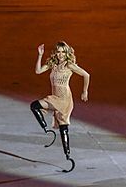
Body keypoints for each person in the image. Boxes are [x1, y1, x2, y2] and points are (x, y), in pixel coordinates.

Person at [30, 41, 90, 172]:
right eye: (58, 52)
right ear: (55, 53)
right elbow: (38, 71)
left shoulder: (69, 65)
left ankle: (67, 155)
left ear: (66, 53)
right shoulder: (53, 64)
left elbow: (86, 75)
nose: (60, 54)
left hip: (64, 99)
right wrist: (40, 55)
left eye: (63, 52)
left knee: (63, 127)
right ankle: (46, 130)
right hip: (55, 97)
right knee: (35, 106)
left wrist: (84, 91)